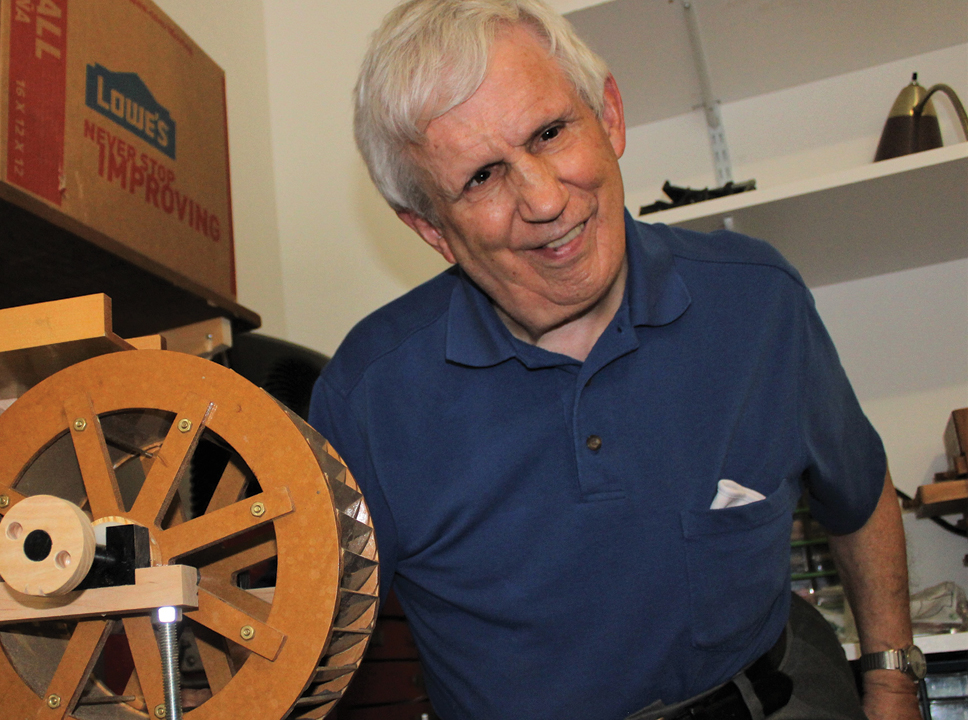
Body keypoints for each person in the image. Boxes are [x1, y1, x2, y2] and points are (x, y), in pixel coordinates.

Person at [308, 1, 923, 718]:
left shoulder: (759, 303)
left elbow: (860, 493)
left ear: (610, 116)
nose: (542, 200)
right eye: (481, 178)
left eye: (550, 132)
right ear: (431, 229)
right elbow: (309, 646)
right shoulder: (368, 398)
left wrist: (889, 682)